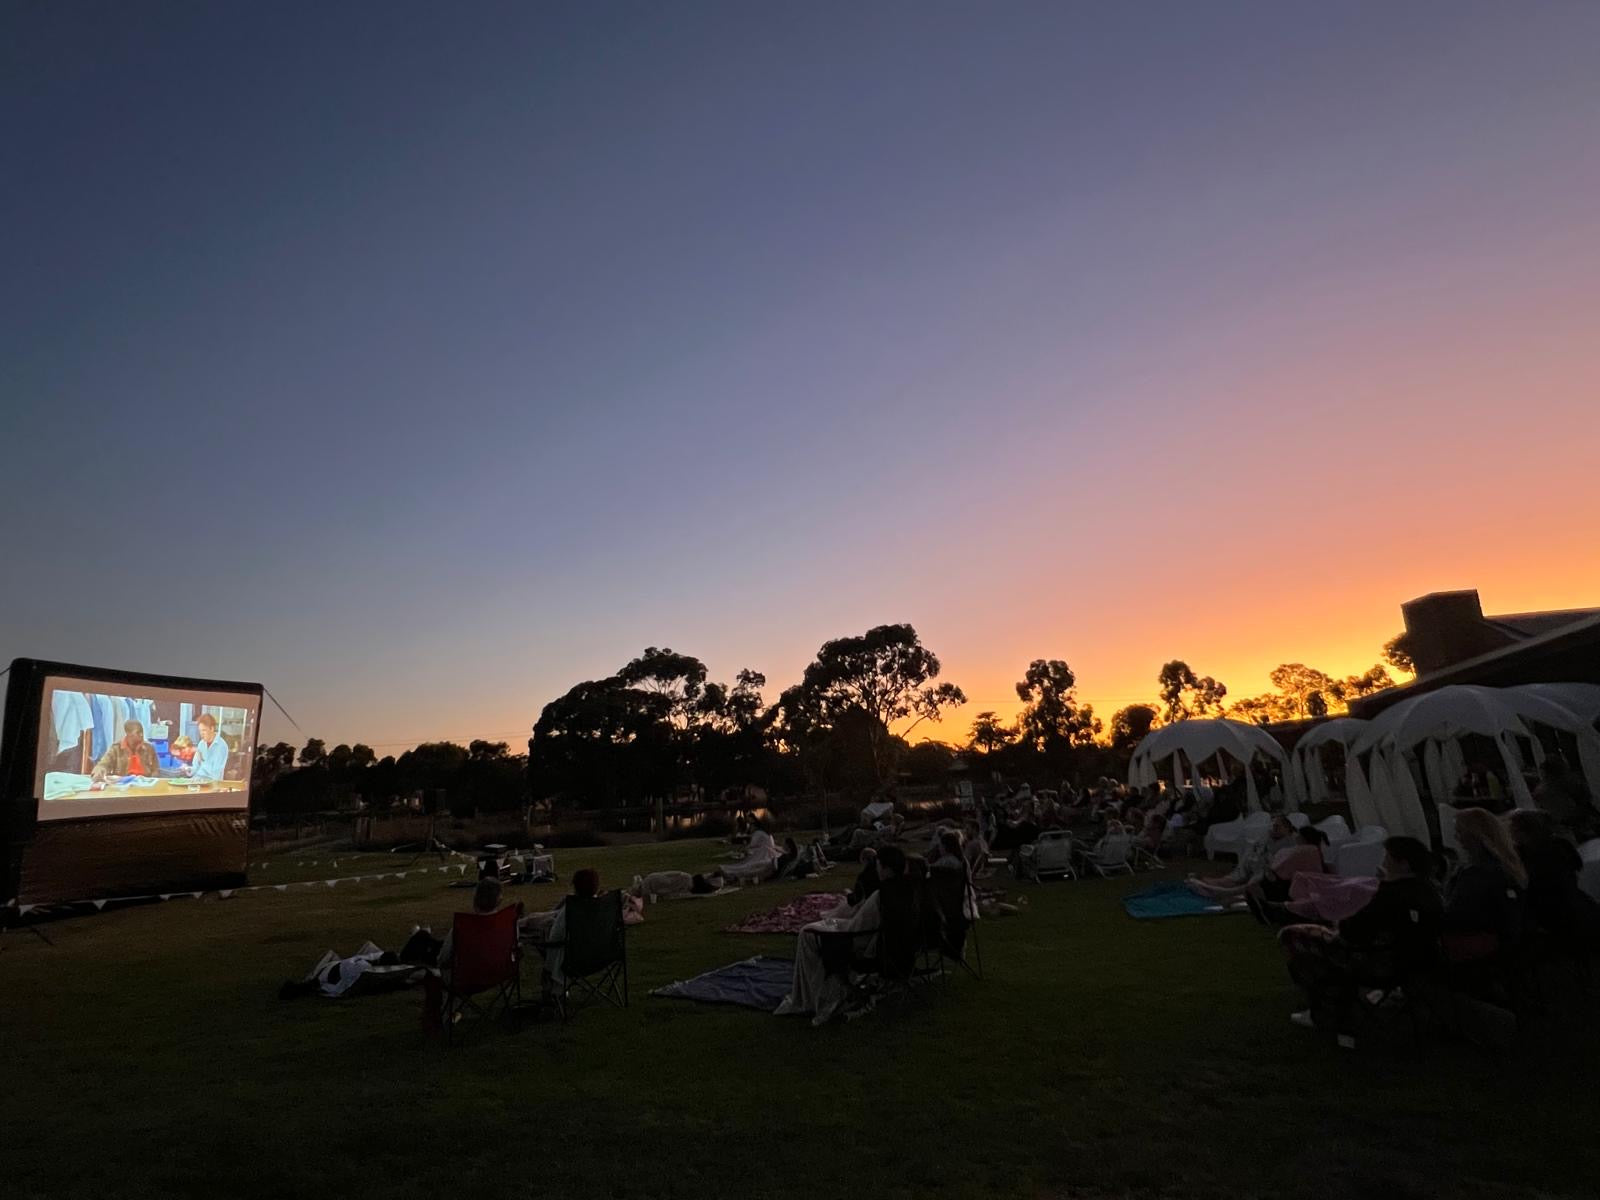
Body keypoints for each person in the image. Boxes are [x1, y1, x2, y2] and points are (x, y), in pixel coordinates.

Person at [1279, 835, 1442, 1043]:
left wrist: (1337, 928)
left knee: (1293, 938)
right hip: (1417, 964)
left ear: (1403, 864)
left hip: (1378, 965)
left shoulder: (1390, 894)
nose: (1383, 861)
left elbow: (1353, 930)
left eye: (1388, 857)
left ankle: (1325, 1011)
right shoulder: (1430, 892)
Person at [777, 847, 905, 1024]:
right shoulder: (907, 890)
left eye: (879, 865)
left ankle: (809, 996)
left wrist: (835, 926)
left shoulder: (881, 896)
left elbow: (857, 928)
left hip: (863, 943)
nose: (876, 869)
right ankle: (811, 991)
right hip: (889, 945)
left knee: (807, 933)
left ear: (887, 868)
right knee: (819, 926)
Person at [1441, 806, 1527, 963]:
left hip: (1479, 949)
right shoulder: (1504, 867)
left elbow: (1459, 911)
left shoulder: (1478, 873)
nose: (1456, 837)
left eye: (1459, 832)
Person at [1505, 809, 1600, 948]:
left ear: (1522, 832)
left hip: (1556, 915)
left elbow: (1537, 889)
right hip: (1578, 909)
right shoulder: (1560, 848)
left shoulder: (1535, 857)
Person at [91, 720, 161, 781]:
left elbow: (156, 769)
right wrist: (99, 770)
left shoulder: (149, 747)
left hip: (144, 784)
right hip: (122, 785)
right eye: (138, 733)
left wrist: (152, 780)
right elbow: (104, 764)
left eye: (142, 732)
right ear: (128, 734)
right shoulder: (116, 748)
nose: (141, 735)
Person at [185, 712, 230, 781]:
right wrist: (187, 769)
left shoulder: (221, 746)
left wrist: (201, 762)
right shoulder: (201, 744)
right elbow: (195, 768)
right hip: (196, 781)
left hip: (212, 784)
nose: (201, 734)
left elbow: (215, 774)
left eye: (204, 730)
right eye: (200, 731)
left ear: (212, 728)